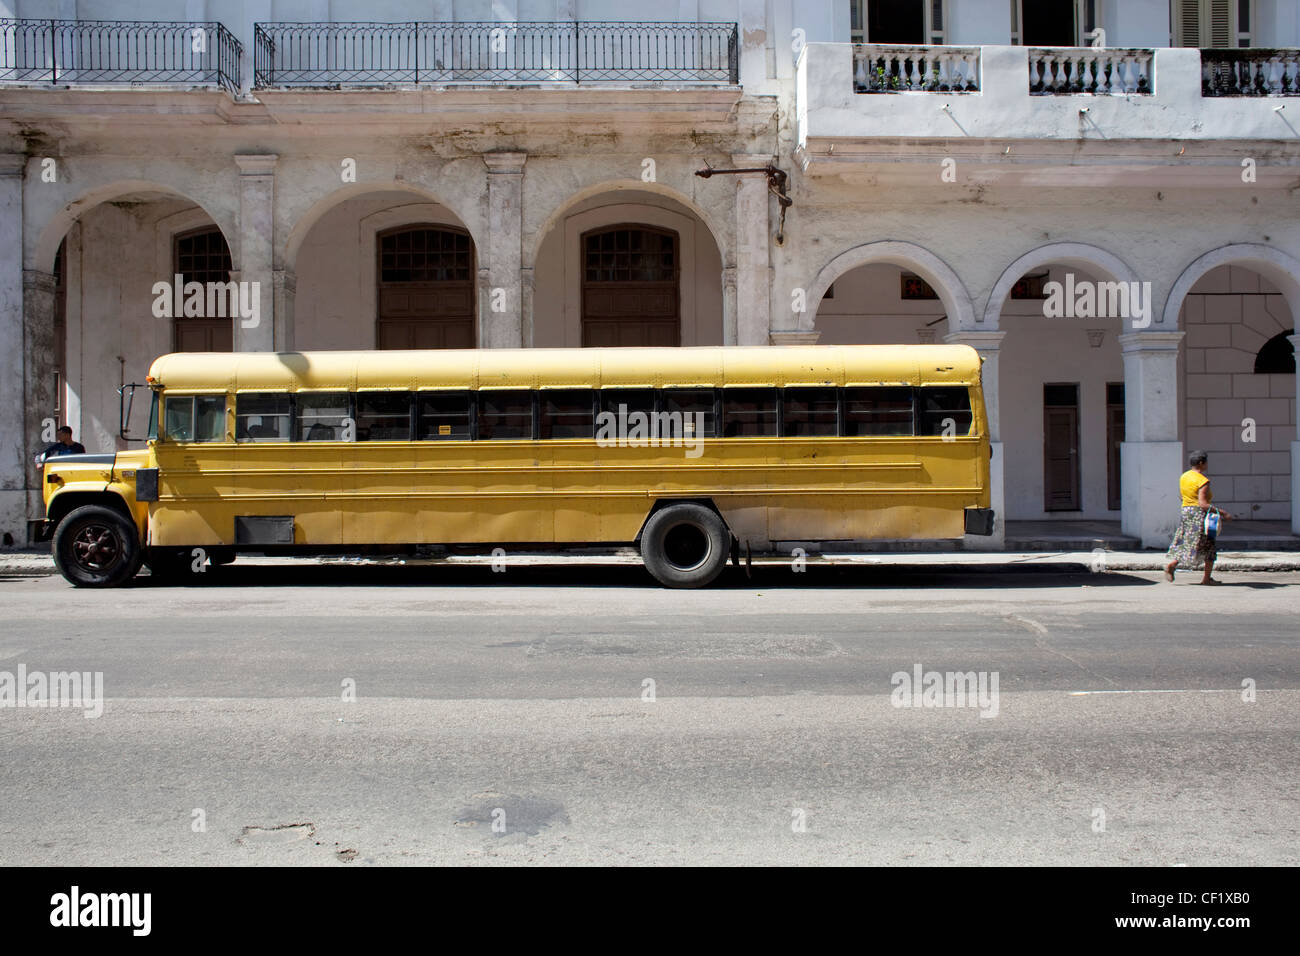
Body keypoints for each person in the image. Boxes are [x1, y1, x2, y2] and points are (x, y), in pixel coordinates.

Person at [1164, 450, 1232, 585]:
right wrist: (1223, 513)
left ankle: (1175, 565)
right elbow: (1203, 504)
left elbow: (1182, 496)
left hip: (1186, 512)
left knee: (1189, 542)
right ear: (1201, 463)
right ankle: (1205, 578)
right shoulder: (1203, 480)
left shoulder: (1184, 476)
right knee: (1208, 545)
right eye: (1206, 462)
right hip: (1199, 515)